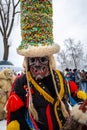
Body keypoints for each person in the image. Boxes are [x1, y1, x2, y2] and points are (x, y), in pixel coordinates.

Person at [6, 1, 70, 130]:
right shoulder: (22, 82)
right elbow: (15, 115)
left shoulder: (59, 76)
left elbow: (70, 98)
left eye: (42, 59)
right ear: (27, 61)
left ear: (49, 59)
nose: (37, 65)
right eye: (32, 60)